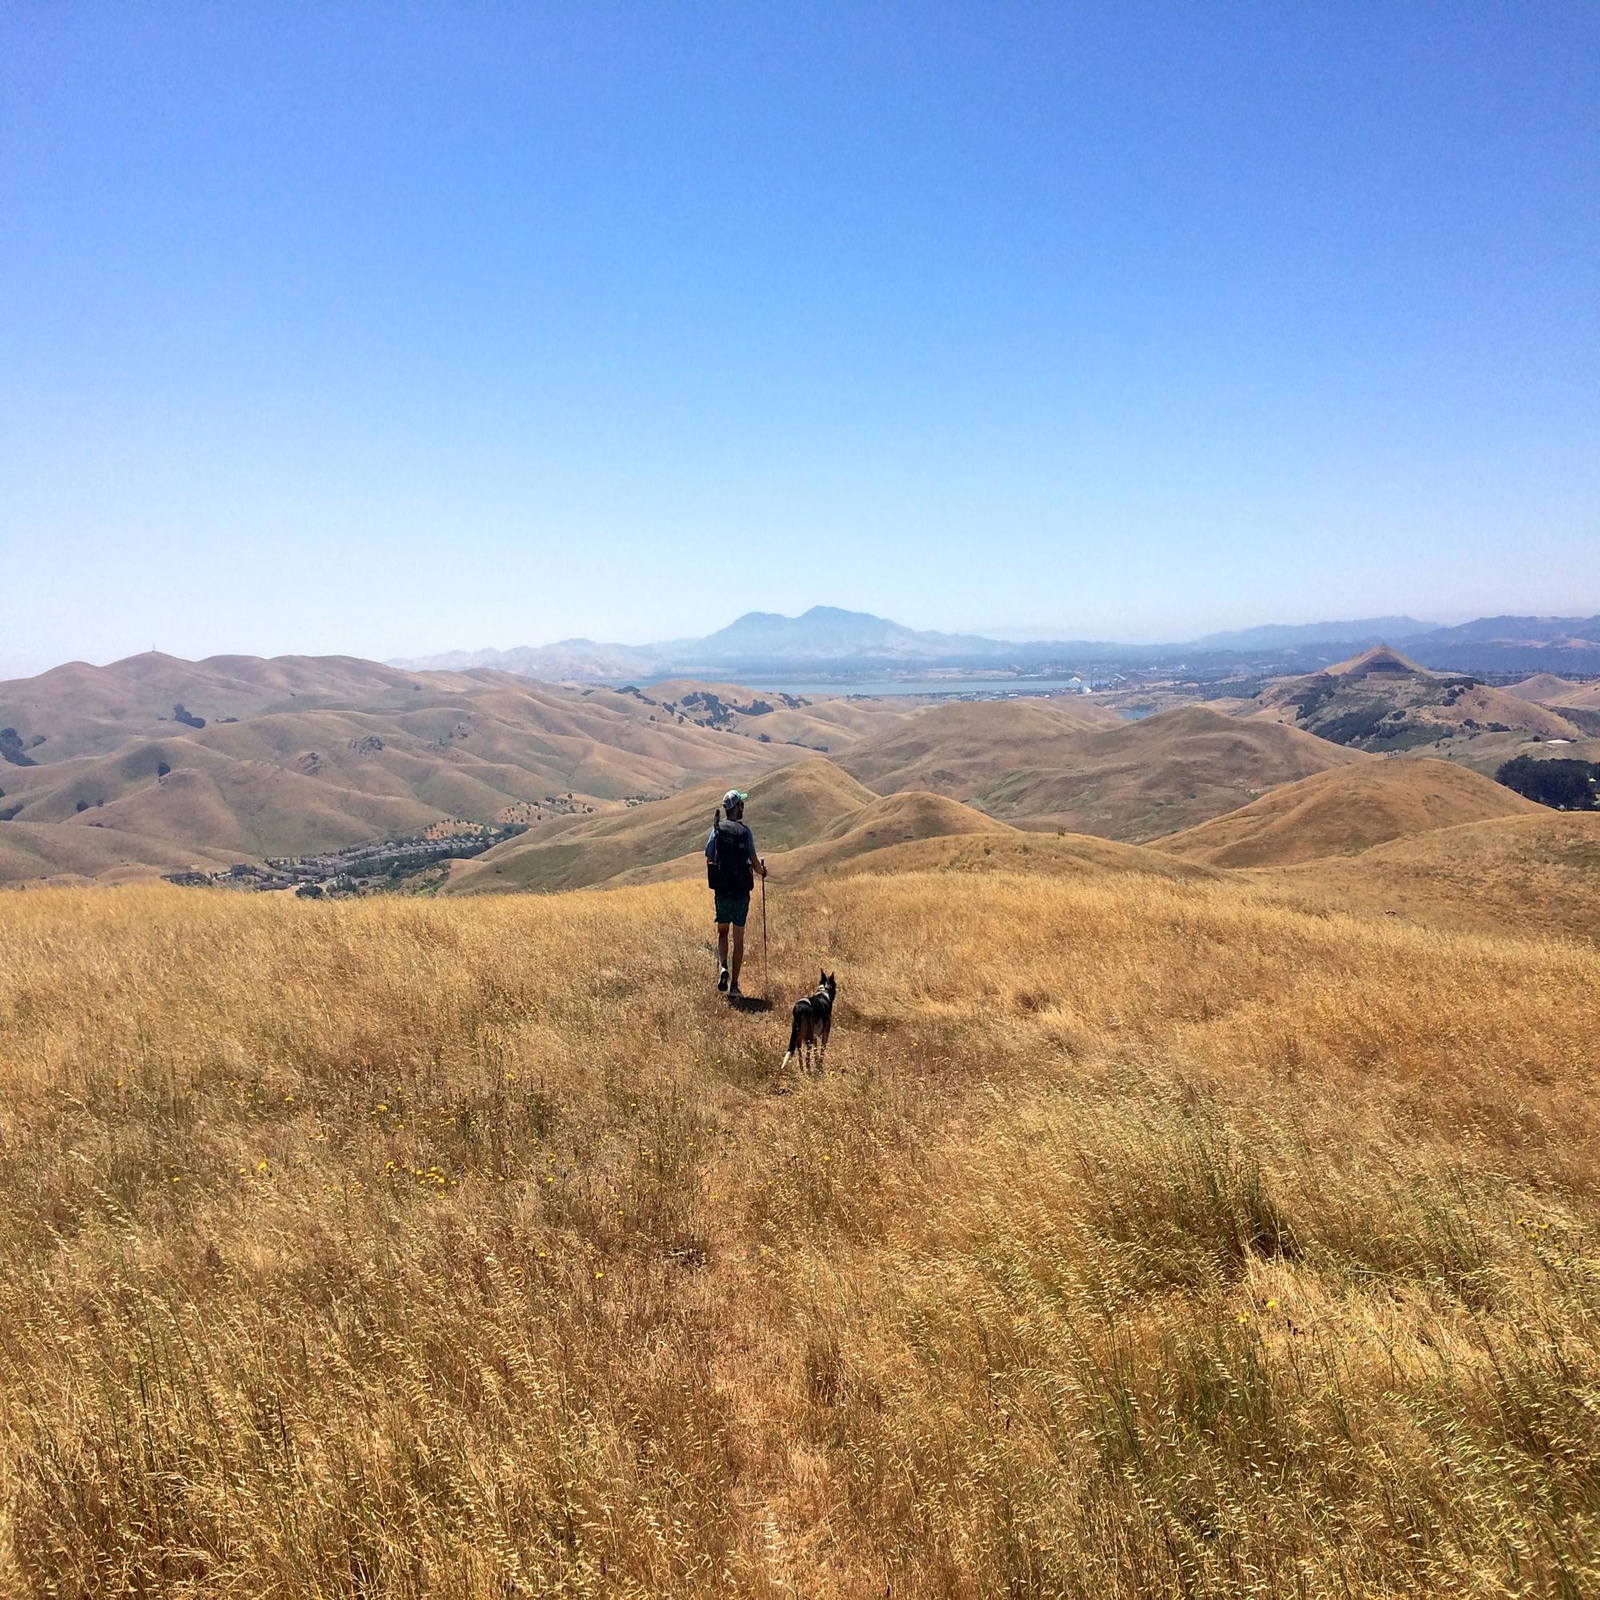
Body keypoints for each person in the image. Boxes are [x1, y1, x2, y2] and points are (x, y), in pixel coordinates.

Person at [705, 788, 766, 999]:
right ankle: (735, 986)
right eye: (741, 804)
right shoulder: (745, 832)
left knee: (722, 932)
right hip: (741, 892)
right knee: (738, 939)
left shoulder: (717, 830)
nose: (743, 806)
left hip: (722, 891)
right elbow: (755, 862)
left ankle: (723, 967)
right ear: (736, 808)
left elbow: (709, 856)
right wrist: (763, 872)